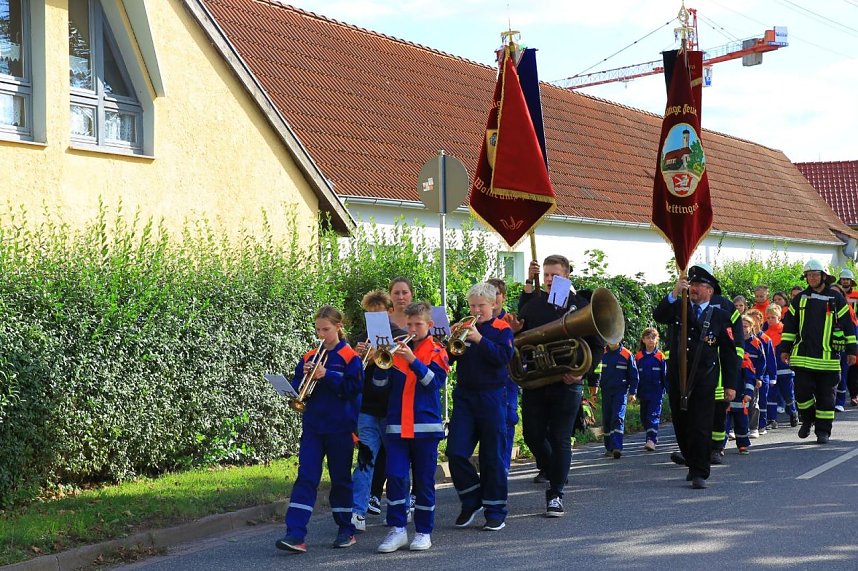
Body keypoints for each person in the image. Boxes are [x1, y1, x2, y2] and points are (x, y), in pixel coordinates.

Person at [509, 255, 602, 515]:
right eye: (547, 275)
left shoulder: (581, 305)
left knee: (561, 438)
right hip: (536, 381)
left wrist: (583, 373)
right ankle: (555, 470)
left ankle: (556, 493)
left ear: (567, 276)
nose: (549, 280)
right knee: (532, 436)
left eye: (555, 275)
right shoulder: (534, 304)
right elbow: (519, 337)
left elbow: (596, 346)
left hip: (567, 382)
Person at [277, 306, 364, 553]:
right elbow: (297, 388)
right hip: (314, 427)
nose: (321, 335)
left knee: (340, 480)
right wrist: (298, 384)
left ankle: (346, 530)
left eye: (325, 329)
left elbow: (355, 389)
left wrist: (327, 375)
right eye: (317, 330)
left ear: (339, 327)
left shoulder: (350, 357)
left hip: (340, 427)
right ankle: (295, 534)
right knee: (306, 477)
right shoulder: (308, 357)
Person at [653, 263, 740, 489]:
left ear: (710, 290)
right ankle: (692, 461)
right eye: (691, 284)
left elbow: (730, 354)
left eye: (699, 285)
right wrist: (674, 293)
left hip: (704, 378)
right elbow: (659, 315)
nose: (693, 288)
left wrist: (731, 385)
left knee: (701, 425)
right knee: (682, 425)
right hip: (678, 377)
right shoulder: (679, 307)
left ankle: (700, 471)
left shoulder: (721, 316)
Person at [373, 301, 449, 553]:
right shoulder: (397, 350)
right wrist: (379, 361)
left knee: (424, 481)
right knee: (395, 477)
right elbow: (379, 387)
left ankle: (424, 531)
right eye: (410, 324)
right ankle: (397, 530)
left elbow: (433, 383)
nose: (414, 329)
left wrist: (414, 361)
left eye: (419, 324)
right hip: (396, 426)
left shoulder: (437, 351)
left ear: (429, 325)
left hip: (425, 427)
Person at [447, 283, 514, 531]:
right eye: (472, 305)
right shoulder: (464, 327)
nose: (476, 310)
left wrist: (480, 339)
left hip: (492, 395)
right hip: (465, 396)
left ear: (493, 304)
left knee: (492, 456)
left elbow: (503, 358)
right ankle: (471, 499)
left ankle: (496, 510)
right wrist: (451, 338)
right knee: (455, 451)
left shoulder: (502, 329)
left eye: (481, 306)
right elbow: (450, 357)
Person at [780, 260, 858, 444]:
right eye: (809, 275)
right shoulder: (800, 299)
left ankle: (823, 431)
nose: (812, 278)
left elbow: (848, 325)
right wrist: (785, 349)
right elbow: (790, 325)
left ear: (823, 276)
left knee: (826, 398)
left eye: (815, 274)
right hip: (802, 355)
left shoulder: (836, 298)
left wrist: (852, 351)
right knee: (801, 393)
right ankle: (808, 419)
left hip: (828, 357)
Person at [350, 290, 407, 532]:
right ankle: (357, 512)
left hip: (392, 409)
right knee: (365, 460)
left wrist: (381, 355)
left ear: (390, 312)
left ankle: (400, 509)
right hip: (367, 409)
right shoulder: (361, 339)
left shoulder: (401, 336)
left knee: (396, 461)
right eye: (370, 315)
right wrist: (357, 357)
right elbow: (352, 377)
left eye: (379, 314)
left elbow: (404, 372)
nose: (374, 319)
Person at [487, 277, 519, 472]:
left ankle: (502, 470)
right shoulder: (478, 318)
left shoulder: (511, 321)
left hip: (507, 381)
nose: (493, 297)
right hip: (485, 381)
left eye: (496, 293)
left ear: (503, 297)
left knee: (507, 422)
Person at [598, 341, 639, 458]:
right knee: (607, 419)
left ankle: (617, 447)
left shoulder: (626, 354)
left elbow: (634, 375)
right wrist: (594, 389)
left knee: (617, 417)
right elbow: (596, 372)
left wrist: (633, 392)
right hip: (605, 391)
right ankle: (609, 447)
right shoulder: (602, 353)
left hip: (620, 392)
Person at [636, 328, 667, 451]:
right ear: (643, 340)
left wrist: (667, 389)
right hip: (643, 391)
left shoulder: (660, 356)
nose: (650, 340)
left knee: (653, 415)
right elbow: (634, 375)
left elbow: (665, 375)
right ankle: (651, 435)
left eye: (653, 338)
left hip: (656, 391)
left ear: (657, 340)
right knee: (644, 417)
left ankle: (651, 439)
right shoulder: (638, 356)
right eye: (648, 338)